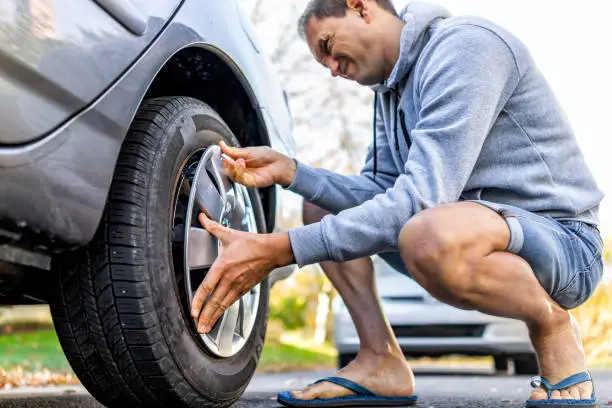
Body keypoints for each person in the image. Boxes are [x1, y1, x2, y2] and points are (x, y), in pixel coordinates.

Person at [189, 1, 605, 407]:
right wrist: (293, 173)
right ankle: (380, 360)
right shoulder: (388, 93)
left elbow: (419, 200)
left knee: (426, 230)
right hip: (472, 234)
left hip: (563, 243)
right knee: (322, 206)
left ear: (360, 6)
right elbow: (381, 191)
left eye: (329, 48)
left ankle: (551, 324)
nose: (333, 70)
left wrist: (282, 249)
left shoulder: (465, 47)